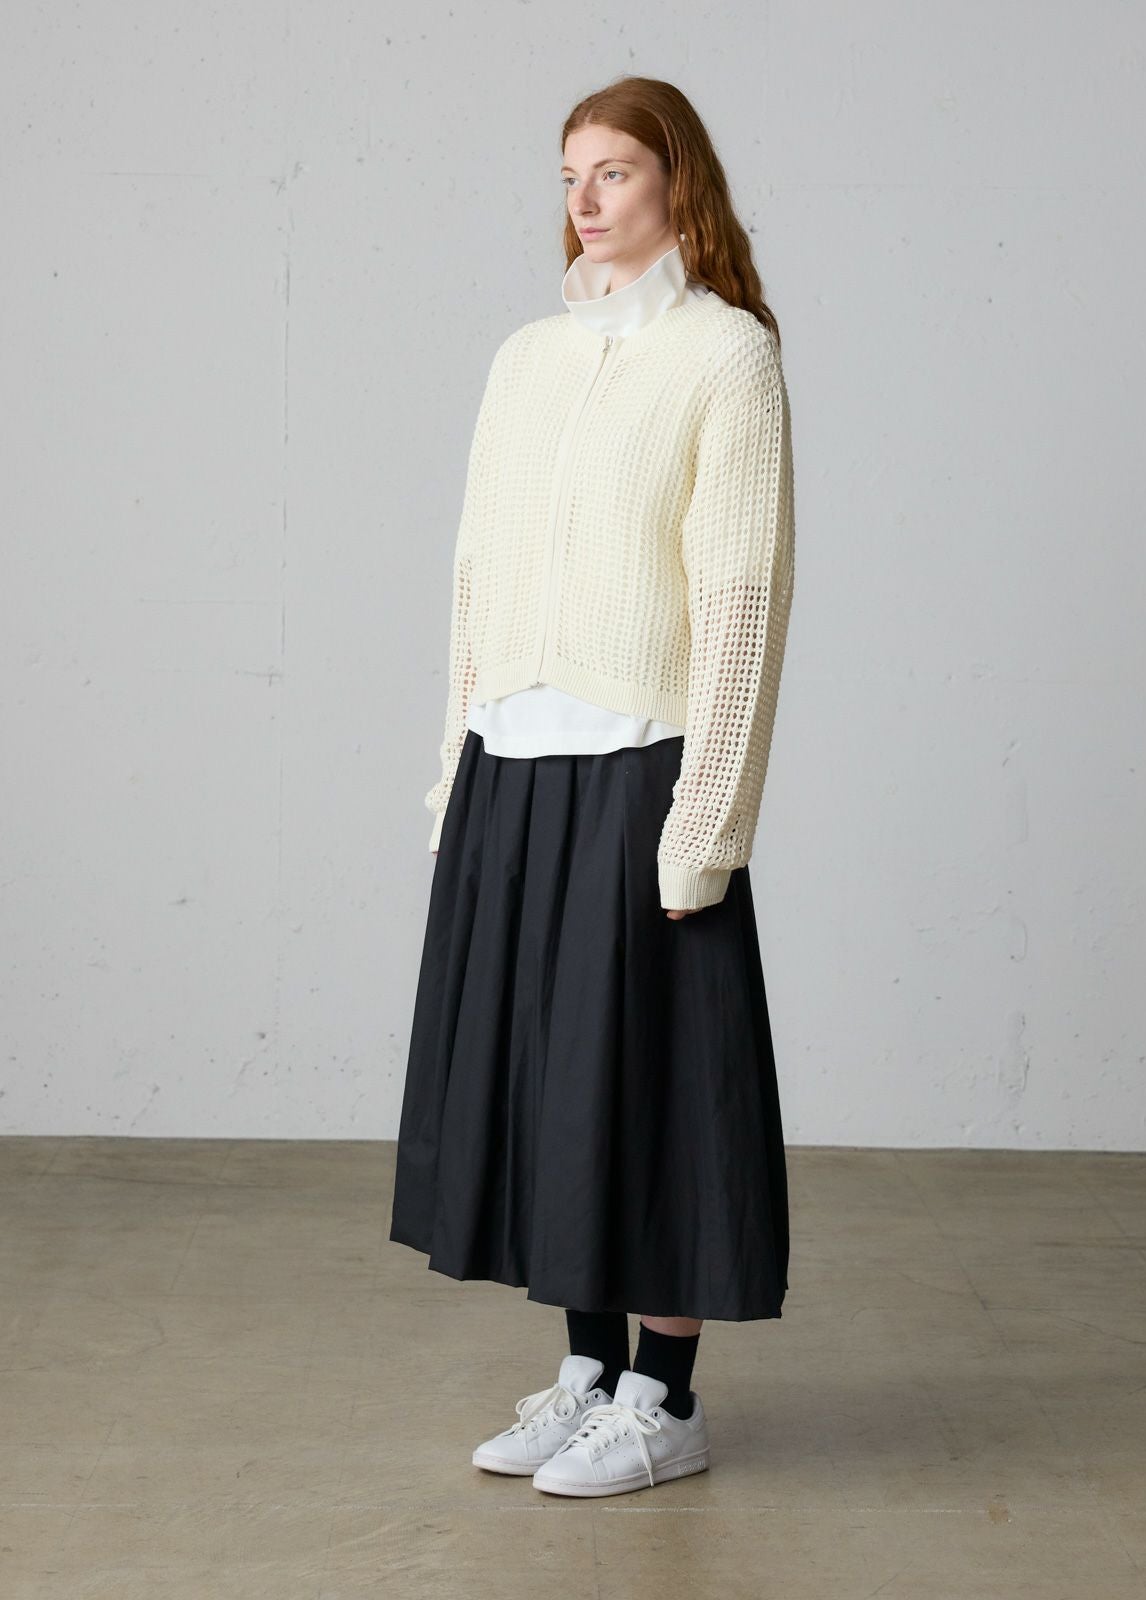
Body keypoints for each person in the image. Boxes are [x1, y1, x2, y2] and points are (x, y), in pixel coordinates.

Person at [389, 75, 796, 1498]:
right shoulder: (525, 360)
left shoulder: (726, 356)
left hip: (642, 767)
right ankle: (588, 1372)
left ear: (678, 181)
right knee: (552, 1084)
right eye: (570, 174)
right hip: (514, 762)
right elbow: (475, 574)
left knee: (658, 1086)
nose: (585, 198)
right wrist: (456, 761)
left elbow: (741, 599)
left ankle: (665, 1399)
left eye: (613, 170)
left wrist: (709, 817)